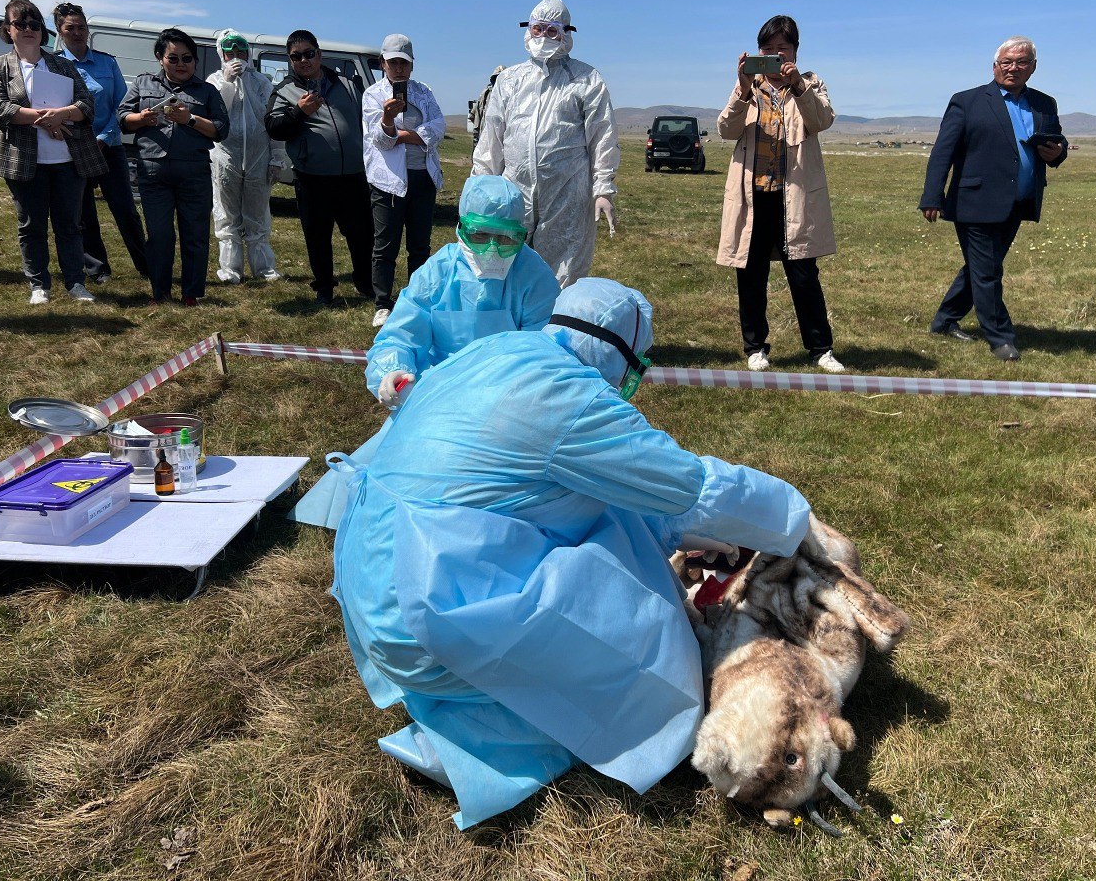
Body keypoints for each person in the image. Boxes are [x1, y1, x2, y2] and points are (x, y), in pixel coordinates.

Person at [328, 277, 812, 828]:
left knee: (609, 528)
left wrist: (690, 535)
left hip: (374, 582)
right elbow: (688, 486)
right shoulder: (571, 401)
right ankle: (471, 742)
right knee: (643, 634)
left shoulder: (498, 350)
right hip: (426, 615)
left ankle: (468, 703)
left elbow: (603, 489)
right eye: (637, 367)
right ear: (620, 355)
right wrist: (794, 522)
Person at [290, 174, 560, 530]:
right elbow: (400, 335)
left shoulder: (535, 278)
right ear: (461, 228)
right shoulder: (438, 273)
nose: (492, 250)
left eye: (506, 239)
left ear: (521, 236)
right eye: (480, 236)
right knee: (397, 469)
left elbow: (545, 356)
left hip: (509, 402)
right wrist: (392, 370)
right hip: (438, 398)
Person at [920, 36, 1068, 362]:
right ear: (995, 66)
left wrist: (1058, 152)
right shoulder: (967, 101)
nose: (1013, 68)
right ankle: (1001, 338)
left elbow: (1056, 142)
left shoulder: (1045, 103)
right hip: (974, 201)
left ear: (1033, 67)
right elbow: (943, 152)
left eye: (1021, 62)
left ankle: (944, 321)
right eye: (1007, 62)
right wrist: (932, 196)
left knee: (982, 267)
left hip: (1018, 202)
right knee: (987, 272)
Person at [717, 15, 844, 374]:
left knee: (804, 274)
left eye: (782, 48)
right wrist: (742, 90)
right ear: (759, 52)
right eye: (768, 49)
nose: (775, 55)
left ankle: (820, 349)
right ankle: (755, 347)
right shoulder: (748, 87)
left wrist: (798, 86)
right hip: (754, 197)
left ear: (795, 51)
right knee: (751, 274)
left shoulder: (810, 84)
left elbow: (822, 121)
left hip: (795, 197)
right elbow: (726, 129)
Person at [472, 0, 620, 287]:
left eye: (552, 31)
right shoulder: (510, 80)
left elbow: (602, 136)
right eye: (537, 29)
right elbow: (492, 138)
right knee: (505, 264)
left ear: (566, 34)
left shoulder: (586, 79)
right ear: (528, 30)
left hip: (566, 195)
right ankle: (512, 315)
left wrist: (603, 188)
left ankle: (555, 316)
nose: (543, 37)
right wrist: (480, 186)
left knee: (562, 271)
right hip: (515, 192)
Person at [0, 0, 105, 306]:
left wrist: (61, 114)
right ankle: (39, 285)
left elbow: (86, 105)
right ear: (8, 30)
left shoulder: (63, 65)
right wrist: (47, 119)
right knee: (31, 227)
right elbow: (0, 108)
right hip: (25, 162)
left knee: (70, 226)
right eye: (20, 24)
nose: (28, 29)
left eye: (34, 24)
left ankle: (76, 283)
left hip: (68, 161)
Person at [119, 27, 229, 306]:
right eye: (173, 58)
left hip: (194, 172)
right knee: (159, 234)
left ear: (195, 61)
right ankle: (160, 292)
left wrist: (189, 119)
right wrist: (141, 119)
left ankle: (191, 294)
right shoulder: (143, 83)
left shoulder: (207, 91)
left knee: (195, 233)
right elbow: (122, 118)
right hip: (153, 170)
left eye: (187, 58)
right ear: (160, 58)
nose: (181, 64)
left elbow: (221, 130)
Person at [266, 30, 373, 306]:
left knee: (362, 233)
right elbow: (273, 127)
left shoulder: (347, 84)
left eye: (309, 53)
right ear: (290, 60)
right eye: (296, 56)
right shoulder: (285, 91)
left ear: (319, 54)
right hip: (312, 178)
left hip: (353, 175)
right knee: (317, 236)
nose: (304, 60)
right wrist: (298, 112)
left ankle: (365, 282)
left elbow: (367, 120)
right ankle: (324, 287)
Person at [53, 2, 148, 283]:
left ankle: (147, 264)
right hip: (73, 148)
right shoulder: (54, 65)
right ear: (60, 30)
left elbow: (122, 106)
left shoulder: (107, 63)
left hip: (109, 147)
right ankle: (98, 269)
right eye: (70, 28)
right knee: (83, 213)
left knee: (125, 209)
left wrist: (104, 138)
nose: (77, 33)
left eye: (82, 27)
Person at [362, 34, 446, 327]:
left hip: (422, 177)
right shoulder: (373, 95)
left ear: (412, 65)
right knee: (385, 245)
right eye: (393, 62)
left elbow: (438, 127)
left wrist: (403, 136)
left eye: (404, 63)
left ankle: (416, 299)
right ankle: (382, 303)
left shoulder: (424, 92)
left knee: (420, 245)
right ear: (383, 63)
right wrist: (387, 120)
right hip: (388, 181)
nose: (399, 68)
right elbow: (381, 141)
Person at [207, 29, 285, 284]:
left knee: (257, 213)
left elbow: (273, 121)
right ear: (221, 54)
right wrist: (227, 82)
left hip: (258, 155)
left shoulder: (261, 82)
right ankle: (230, 269)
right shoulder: (214, 81)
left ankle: (263, 268)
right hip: (225, 156)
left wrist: (276, 158)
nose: (236, 57)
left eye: (241, 52)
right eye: (230, 53)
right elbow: (216, 114)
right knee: (226, 213)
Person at [467, 64, 503, 146]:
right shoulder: (486, 94)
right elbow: (475, 114)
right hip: (486, 133)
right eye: (496, 78)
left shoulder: (511, 95)